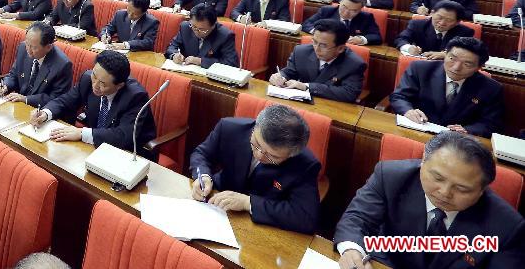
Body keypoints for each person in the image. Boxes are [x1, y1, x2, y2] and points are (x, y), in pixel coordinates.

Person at [334, 131, 525, 269]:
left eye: (462, 188)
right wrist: (352, 250)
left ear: (483, 189)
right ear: (423, 159)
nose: (444, 192)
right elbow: (356, 219)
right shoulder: (390, 176)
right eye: (438, 178)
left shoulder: (507, 226)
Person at [190, 104, 320, 234]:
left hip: (261, 226)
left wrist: (248, 203)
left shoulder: (305, 164)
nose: (259, 155)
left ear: (290, 154)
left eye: (272, 156)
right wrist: (203, 176)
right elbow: (201, 154)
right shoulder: (229, 128)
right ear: (255, 127)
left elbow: (305, 218)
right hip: (215, 199)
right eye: (256, 144)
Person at [30, 50, 157, 158]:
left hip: (128, 153)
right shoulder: (87, 79)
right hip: (93, 146)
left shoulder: (135, 97)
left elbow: (123, 136)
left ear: (119, 85)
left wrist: (82, 133)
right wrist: (45, 113)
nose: (95, 85)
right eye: (94, 76)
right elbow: (66, 101)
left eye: (103, 83)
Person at [390, 37, 502, 136]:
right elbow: (399, 96)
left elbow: (490, 123)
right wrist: (408, 110)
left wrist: (468, 130)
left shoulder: (491, 88)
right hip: (416, 131)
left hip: (455, 142)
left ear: (479, 67)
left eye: (467, 64)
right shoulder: (420, 69)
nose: (456, 67)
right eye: (452, 59)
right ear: (445, 54)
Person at [270, 19, 366, 102]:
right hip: (299, 103)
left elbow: (349, 94)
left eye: (323, 45)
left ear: (340, 48)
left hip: (331, 109)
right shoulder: (301, 52)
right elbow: (289, 72)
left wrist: (307, 87)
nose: (316, 49)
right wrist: (281, 77)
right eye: (314, 42)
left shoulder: (354, 64)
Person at [0, 22, 73, 108]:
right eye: (27, 44)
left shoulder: (62, 65)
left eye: (34, 47)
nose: (28, 49)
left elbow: (55, 98)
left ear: (48, 47)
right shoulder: (22, 48)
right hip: (18, 106)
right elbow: (14, 75)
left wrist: (26, 99)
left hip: (41, 111)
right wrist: (6, 85)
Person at [164, 4, 237, 68]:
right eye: (194, 27)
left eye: (202, 29)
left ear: (213, 25)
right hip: (185, 72)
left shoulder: (225, 36)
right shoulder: (185, 27)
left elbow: (231, 63)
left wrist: (200, 61)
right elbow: (171, 46)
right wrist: (174, 55)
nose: (197, 32)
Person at [396, 0, 474, 58]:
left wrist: (447, 54)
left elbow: (468, 52)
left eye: (449, 20)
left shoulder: (465, 32)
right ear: (432, 13)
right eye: (439, 17)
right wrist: (409, 48)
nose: (442, 23)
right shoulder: (417, 24)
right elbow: (400, 39)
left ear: (457, 22)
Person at [302, 0, 382, 45]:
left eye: (353, 11)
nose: (346, 12)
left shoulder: (366, 17)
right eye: (344, 7)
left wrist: (361, 39)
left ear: (360, 9)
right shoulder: (326, 11)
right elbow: (306, 24)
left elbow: (377, 37)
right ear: (340, 2)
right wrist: (320, 32)